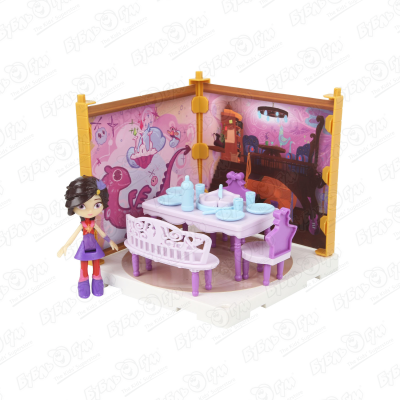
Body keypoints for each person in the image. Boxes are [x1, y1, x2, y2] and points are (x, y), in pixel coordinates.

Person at [57, 176, 118, 298]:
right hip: (84, 248)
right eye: (82, 206)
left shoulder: (93, 224)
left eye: (96, 205)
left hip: (94, 247)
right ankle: (83, 286)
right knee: (83, 268)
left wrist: (110, 241)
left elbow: (102, 233)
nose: (90, 211)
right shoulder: (83, 225)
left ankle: (97, 286)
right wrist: (65, 246)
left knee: (97, 267)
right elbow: (74, 235)